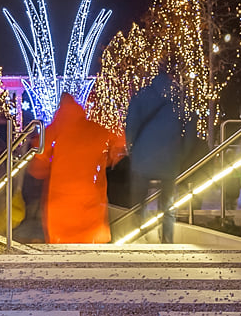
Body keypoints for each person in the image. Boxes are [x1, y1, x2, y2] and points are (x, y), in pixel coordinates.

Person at [27, 93, 126, 244]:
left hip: (61, 194)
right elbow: (118, 140)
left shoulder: (54, 129)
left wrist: (41, 169)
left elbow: (39, 160)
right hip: (89, 191)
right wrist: (107, 160)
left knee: (62, 237)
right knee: (88, 233)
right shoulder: (93, 128)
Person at [126, 67, 184, 243]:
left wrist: (131, 148)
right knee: (168, 204)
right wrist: (183, 153)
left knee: (139, 201)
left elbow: (132, 125)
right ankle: (167, 241)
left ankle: (137, 238)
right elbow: (188, 128)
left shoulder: (142, 96)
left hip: (143, 158)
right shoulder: (178, 98)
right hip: (170, 160)